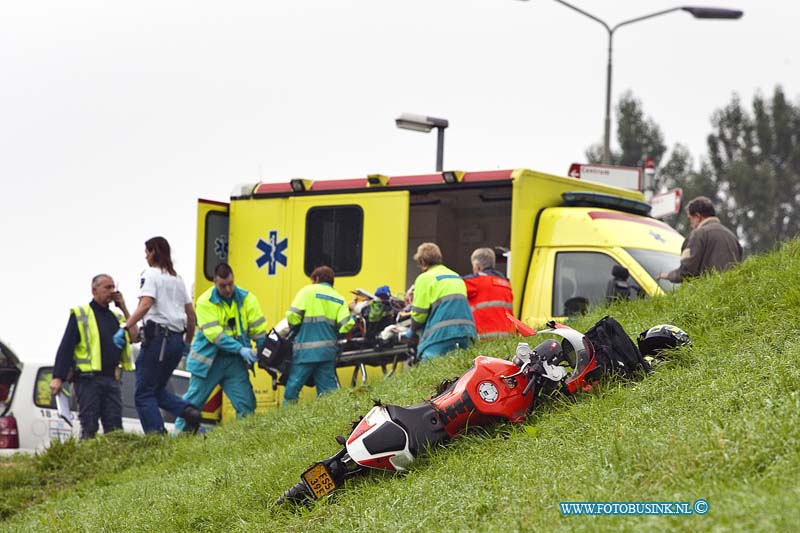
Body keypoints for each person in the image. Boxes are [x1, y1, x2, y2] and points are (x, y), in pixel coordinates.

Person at [117, 236, 201, 434]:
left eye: (147, 252)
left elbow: (146, 304)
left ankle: (156, 437)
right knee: (157, 390)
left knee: (143, 394)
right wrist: (187, 343)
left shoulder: (150, 274)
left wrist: (125, 327)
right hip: (175, 342)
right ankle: (188, 412)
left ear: (153, 251)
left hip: (158, 342)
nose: (145, 257)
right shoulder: (177, 279)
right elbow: (191, 316)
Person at [174, 263, 266, 432]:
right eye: (223, 285)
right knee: (192, 406)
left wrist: (264, 351)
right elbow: (215, 335)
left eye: (231, 283)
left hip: (234, 363)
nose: (228, 289)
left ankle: (243, 443)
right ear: (215, 282)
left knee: (246, 405)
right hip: (208, 362)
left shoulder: (247, 299)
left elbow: (258, 329)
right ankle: (178, 440)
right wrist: (241, 349)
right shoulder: (205, 301)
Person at [50, 274, 137, 439]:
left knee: (115, 431)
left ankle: (112, 463)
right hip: (88, 381)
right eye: (107, 287)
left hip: (112, 380)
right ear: (94, 290)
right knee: (89, 427)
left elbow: (134, 337)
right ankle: (86, 462)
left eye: (113, 287)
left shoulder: (118, 318)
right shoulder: (81, 314)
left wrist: (124, 307)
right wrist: (58, 377)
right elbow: (66, 347)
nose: (111, 291)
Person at [284, 266, 355, 403]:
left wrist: (296, 327)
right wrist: (337, 334)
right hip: (327, 353)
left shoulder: (307, 291)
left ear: (316, 278)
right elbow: (347, 324)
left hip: (305, 352)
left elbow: (292, 315)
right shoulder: (339, 299)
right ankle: (330, 421)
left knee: (292, 390)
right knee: (328, 395)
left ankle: (286, 419)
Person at [408, 242, 477, 360]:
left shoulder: (424, 278)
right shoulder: (456, 276)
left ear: (422, 262)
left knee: (429, 372)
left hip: (440, 336)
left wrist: (412, 330)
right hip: (466, 333)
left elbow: (419, 315)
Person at [656, 196, 743, 283]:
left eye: (690, 219)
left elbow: (687, 272)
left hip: (710, 293)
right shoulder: (732, 237)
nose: (690, 225)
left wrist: (669, 275)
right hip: (733, 293)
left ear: (697, 216)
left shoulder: (698, 234)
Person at [462, 247, 515, 340]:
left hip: (485, 338)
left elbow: (454, 291)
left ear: (477, 266)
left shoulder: (475, 281)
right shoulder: (506, 284)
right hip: (508, 338)